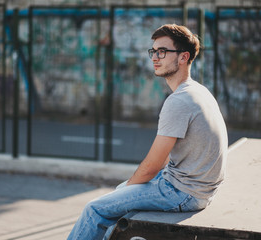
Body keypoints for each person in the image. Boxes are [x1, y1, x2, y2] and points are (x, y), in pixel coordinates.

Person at [67, 24, 228, 240]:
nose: (155, 57)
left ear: (183, 57)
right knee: (119, 196)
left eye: (163, 51)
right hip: (199, 189)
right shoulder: (199, 91)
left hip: (183, 193)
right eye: (153, 51)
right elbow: (168, 157)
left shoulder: (179, 101)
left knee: (94, 209)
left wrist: (125, 191)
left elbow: (151, 166)